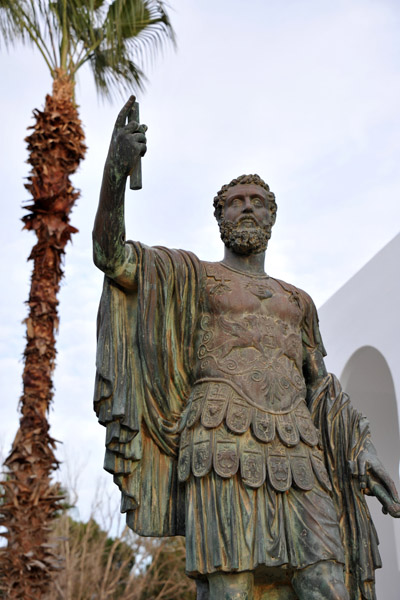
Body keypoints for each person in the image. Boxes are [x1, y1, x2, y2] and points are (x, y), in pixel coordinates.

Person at [93, 97, 400, 600]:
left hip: (300, 448)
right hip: (218, 440)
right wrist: (114, 173)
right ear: (220, 218)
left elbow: (320, 385)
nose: (248, 207)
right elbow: (110, 255)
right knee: (230, 589)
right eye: (236, 201)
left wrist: (362, 448)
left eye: (257, 200)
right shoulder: (194, 275)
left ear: (273, 216)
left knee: (327, 579)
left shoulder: (298, 300)